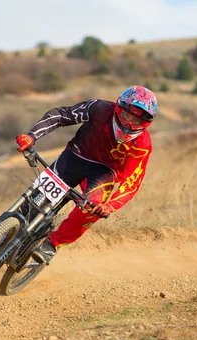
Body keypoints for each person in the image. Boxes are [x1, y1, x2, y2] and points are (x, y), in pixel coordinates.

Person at [15, 85, 158, 265]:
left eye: (136, 121)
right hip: (77, 155)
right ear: (118, 108)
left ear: (146, 123)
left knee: (92, 209)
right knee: (32, 204)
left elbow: (132, 183)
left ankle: (52, 245)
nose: (129, 123)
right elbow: (62, 115)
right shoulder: (98, 108)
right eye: (127, 115)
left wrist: (110, 206)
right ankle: (9, 235)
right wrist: (32, 136)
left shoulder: (142, 145)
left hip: (105, 172)